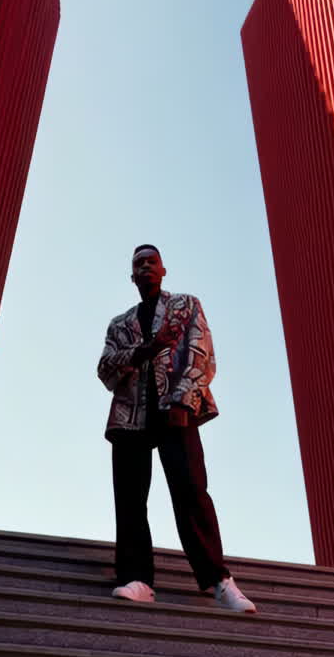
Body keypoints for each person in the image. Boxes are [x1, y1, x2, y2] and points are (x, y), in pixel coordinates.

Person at [97, 244, 256, 613]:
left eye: (152, 261)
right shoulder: (119, 324)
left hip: (175, 412)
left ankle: (219, 579)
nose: (146, 267)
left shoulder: (185, 305)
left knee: (191, 491)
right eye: (139, 264)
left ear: (164, 269)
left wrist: (184, 400)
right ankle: (136, 578)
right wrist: (146, 349)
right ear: (131, 276)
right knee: (130, 498)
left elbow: (202, 352)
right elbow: (105, 369)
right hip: (129, 417)